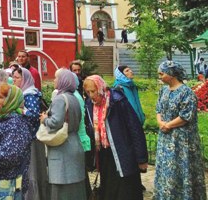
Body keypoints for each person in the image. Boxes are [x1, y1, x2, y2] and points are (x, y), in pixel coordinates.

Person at [83, 75, 148, 200]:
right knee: (109, 189)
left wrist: (141, 158)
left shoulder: (117, 101)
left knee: (126, 189)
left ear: (101, 88)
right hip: (104, 153)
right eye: (88, 92)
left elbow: (134, 128)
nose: (91, 95)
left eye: (93, 91)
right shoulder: (90, 104)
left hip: (123, 152)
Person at [154, 60, 206, 200]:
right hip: (165, 138)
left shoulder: (186, 92)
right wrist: (160, 122)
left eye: (162, 73)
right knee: (166, 170)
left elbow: (186, 116)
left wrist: (168, 125)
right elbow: (158, 109)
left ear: (171, 74)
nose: (160, 76)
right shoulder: (163, 90)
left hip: (182, 140)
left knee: (182, 169)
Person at [39, 68, 86, 200]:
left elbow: (56, 122)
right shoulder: (74, 98)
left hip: (62, 146)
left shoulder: (60, 99)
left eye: (56, 78)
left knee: (61, 187)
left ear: (63, 81)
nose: (54, 80)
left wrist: (44, 119)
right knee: (75, 187)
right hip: (74, 142)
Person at [12, 65, 48, 200]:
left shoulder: (29, 95)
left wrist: (20, 110)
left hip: (32, 138)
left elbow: (34, 114)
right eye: (13, 77)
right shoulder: (25, 93)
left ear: (24, 79)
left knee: (32, 171)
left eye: (17, 78)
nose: (14, 80)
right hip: (29, 137)